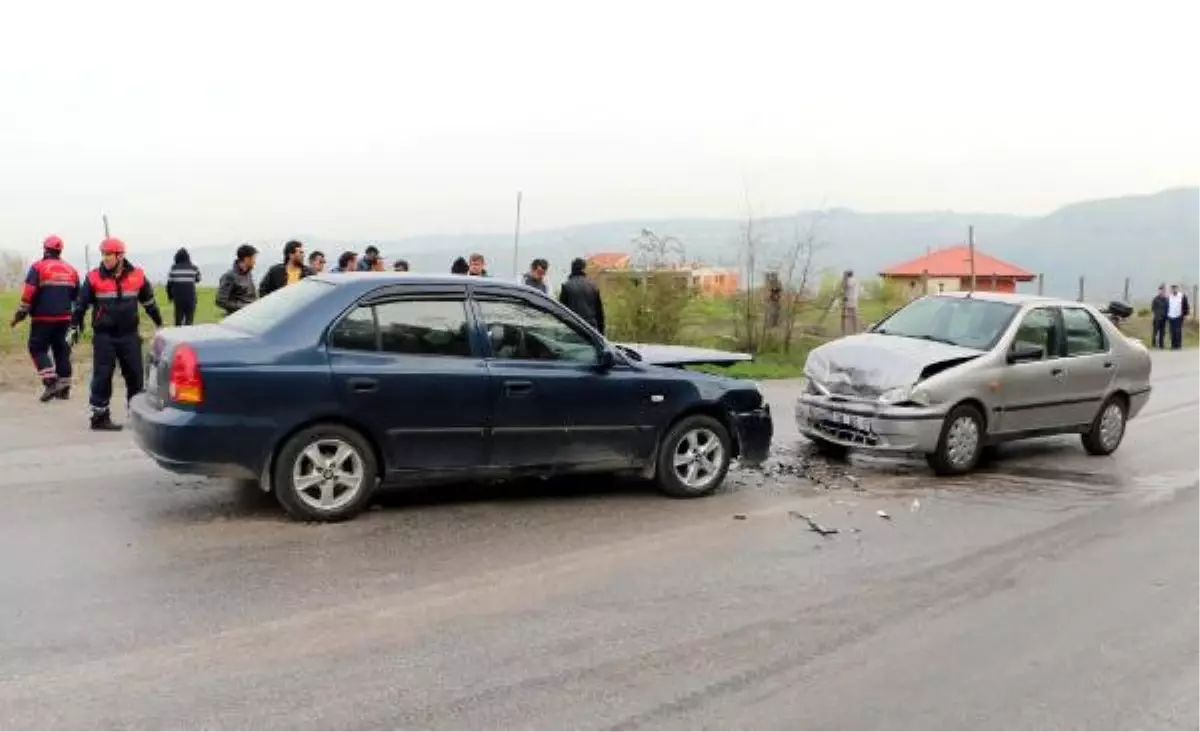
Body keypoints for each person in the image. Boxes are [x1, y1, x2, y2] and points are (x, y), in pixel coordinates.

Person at [71, 238, 163, 431]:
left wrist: (160, 324)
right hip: (104, 336)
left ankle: (136, 415)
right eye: (103, 254)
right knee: (102, 375)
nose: (105, 258)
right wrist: (73, 327)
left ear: (120, 256)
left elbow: (149, 303)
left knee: (135, 376)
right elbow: (80, 306)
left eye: (108, 254)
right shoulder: (94, 277)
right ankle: (99, 417)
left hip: (129, 335)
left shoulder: (137, 276)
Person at [9, 235, 79, 402]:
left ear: (45, 249)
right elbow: (77, 297)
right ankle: (64, 388)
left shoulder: (38, 267)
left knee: (37, 348)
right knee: (62, 350)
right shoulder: (71, 270)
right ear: (60, 250)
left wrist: (20, 315)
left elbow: (28, 293)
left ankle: (50, 382)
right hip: (65, 318)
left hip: (43, 318)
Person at [558, 257, 605, 334]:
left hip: (572, 328)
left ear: (572, 269)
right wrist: (601, 333)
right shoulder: (593, 286)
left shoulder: (566, 286)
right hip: (590, 328)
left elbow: (561, 310)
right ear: (583, 269)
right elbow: (599, 313)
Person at [216, 244, 259, 315]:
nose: (255, 261)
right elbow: (220, 301)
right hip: (237, 317)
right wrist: (244, 307)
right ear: (246, 259)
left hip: (251, 315)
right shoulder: (229, 276)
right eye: (254, 258)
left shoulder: (248, 274)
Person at [165, 247, 202, 327]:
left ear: (176, 257)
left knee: (178, 320)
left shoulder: (173, 268)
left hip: (178, 298)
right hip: (191, 297)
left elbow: (169, 284)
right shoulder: (194, 268)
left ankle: (177, 336)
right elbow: (198, 279)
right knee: (189, 321)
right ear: (188, 257)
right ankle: (187, 335)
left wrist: (170, 297)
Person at [1168, 284, 1189, 350]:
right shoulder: (1169, 296)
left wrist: (1185, 314)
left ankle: (1178, 345)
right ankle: (1173, 345)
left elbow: (1186, 305)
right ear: (1171, 289)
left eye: (1175, 288)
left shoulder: (1182, 296)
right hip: (1171, 316)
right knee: (1172, 331)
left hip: (1179, 316)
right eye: (1173, 288)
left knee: (1178, 331)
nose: (1174, 290)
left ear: (1177, 289)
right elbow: (1167, 306)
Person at [841, 269, 859, 335]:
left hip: (851, 299)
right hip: (847, 298)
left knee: (852, 315)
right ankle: (844, 331)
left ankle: (854, 331)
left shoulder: (852, 280)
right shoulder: (848, 280)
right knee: (844, 316)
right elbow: (843, 287)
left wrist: (844, 278)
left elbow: (846, 286)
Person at [1151, 284, 1169, 349]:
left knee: (1162, 332)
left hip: (1164, 318)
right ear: (1159, 291)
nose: (1162, 291)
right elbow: (1152, 309)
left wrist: (1167, 317)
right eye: (1161, 290)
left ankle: (1161, 345)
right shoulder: (1155, 299)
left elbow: (1168, 308)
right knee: (1155, 331)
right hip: (1157, 318)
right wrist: (1153, 316)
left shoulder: (1166, 300)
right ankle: (1154, 344)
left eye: (1163, 290)